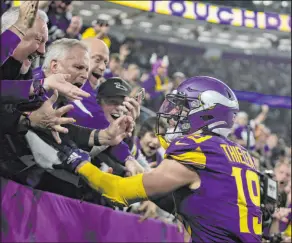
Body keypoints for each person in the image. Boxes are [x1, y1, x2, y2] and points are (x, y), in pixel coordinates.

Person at [53, 76, 262, 243]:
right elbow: (200, 204)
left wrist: (79, 163)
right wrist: (145, 179)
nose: (173, 115)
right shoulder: (242, 156)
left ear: (207, 114)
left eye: (183, 108)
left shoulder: (199, 150)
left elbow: (117, 192)